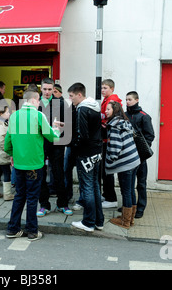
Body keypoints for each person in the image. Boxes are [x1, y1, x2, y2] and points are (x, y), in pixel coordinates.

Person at [4, 90, 61, 241]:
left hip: (19, 164)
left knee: (19, 196)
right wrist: (55, 128)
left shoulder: (14, 116)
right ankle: (32, 231)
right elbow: (51, 136)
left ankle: (13, 228)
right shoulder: (38, 115)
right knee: (32, 197)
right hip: (35, 164)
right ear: (35, 100)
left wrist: (13, 155)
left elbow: (7, 142)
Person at [68, 83, 104, 232]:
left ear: (79, 95)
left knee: (87, 187)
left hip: (85, 154)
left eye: (71, 96)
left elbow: (82, 135)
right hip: (96, 151)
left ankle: (88, 222)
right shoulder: (94, 106)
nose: (71, 100)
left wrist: (73, 146)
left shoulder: (82, 108)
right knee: (95, 186)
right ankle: (98, 221)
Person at [37, 78, 72, 217]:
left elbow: (68, 123)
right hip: (40, 143)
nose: (47, 92)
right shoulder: (35, 104)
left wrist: (63, 127)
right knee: (40, 174)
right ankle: (44, 205)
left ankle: (62, 204)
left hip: (56, 143)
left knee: (58, 173)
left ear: (54, 89)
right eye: (44, 89)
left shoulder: (61, 103)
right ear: (41, 89)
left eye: (49, 89)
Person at [105, 101, 140, 229]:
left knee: (125, 191)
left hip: (125, 164)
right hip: (134, 160)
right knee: (131, 190)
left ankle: (125, 222)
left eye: (108, 109)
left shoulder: (114, 126)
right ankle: (130, 219)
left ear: (114, 111)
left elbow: (115, 148)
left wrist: (110, 160)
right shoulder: (124, 122)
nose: (106, 111)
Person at [125, 91, 155, 219]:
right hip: (127, 155)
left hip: (140, 156)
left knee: (141, 183)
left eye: (130, 99)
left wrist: (142, 151)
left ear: (137, 100)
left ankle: (140, 207)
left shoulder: (144, 116)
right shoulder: (124, 115)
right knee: (128, 183)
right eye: (126, 99)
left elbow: (150, 136)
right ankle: (129, 205)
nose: (127, 102)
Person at [100, 79, 122, 208]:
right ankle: (107, 194)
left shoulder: (112, 101)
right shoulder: (108, 99)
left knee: (107, 170)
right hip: (106, 139)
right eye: (102, 88)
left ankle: (111, 198)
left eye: (105, 88)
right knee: (105, 170)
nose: (103, 90)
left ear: (112, 89)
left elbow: (108, 120)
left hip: (108, 140)